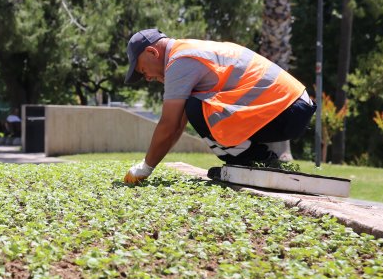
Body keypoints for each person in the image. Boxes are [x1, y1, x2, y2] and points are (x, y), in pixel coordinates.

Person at [122, 29, 316, 184]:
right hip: (294, 107)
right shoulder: (187, 50)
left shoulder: (179, 61)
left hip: (287, 110)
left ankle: (255, 159)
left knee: (197, 107)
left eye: (142, 70)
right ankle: (253, 158)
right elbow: (177, 126)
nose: (147, 78)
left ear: (152, 52)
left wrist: (146, 167)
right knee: (195, 105)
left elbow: (169, 124)